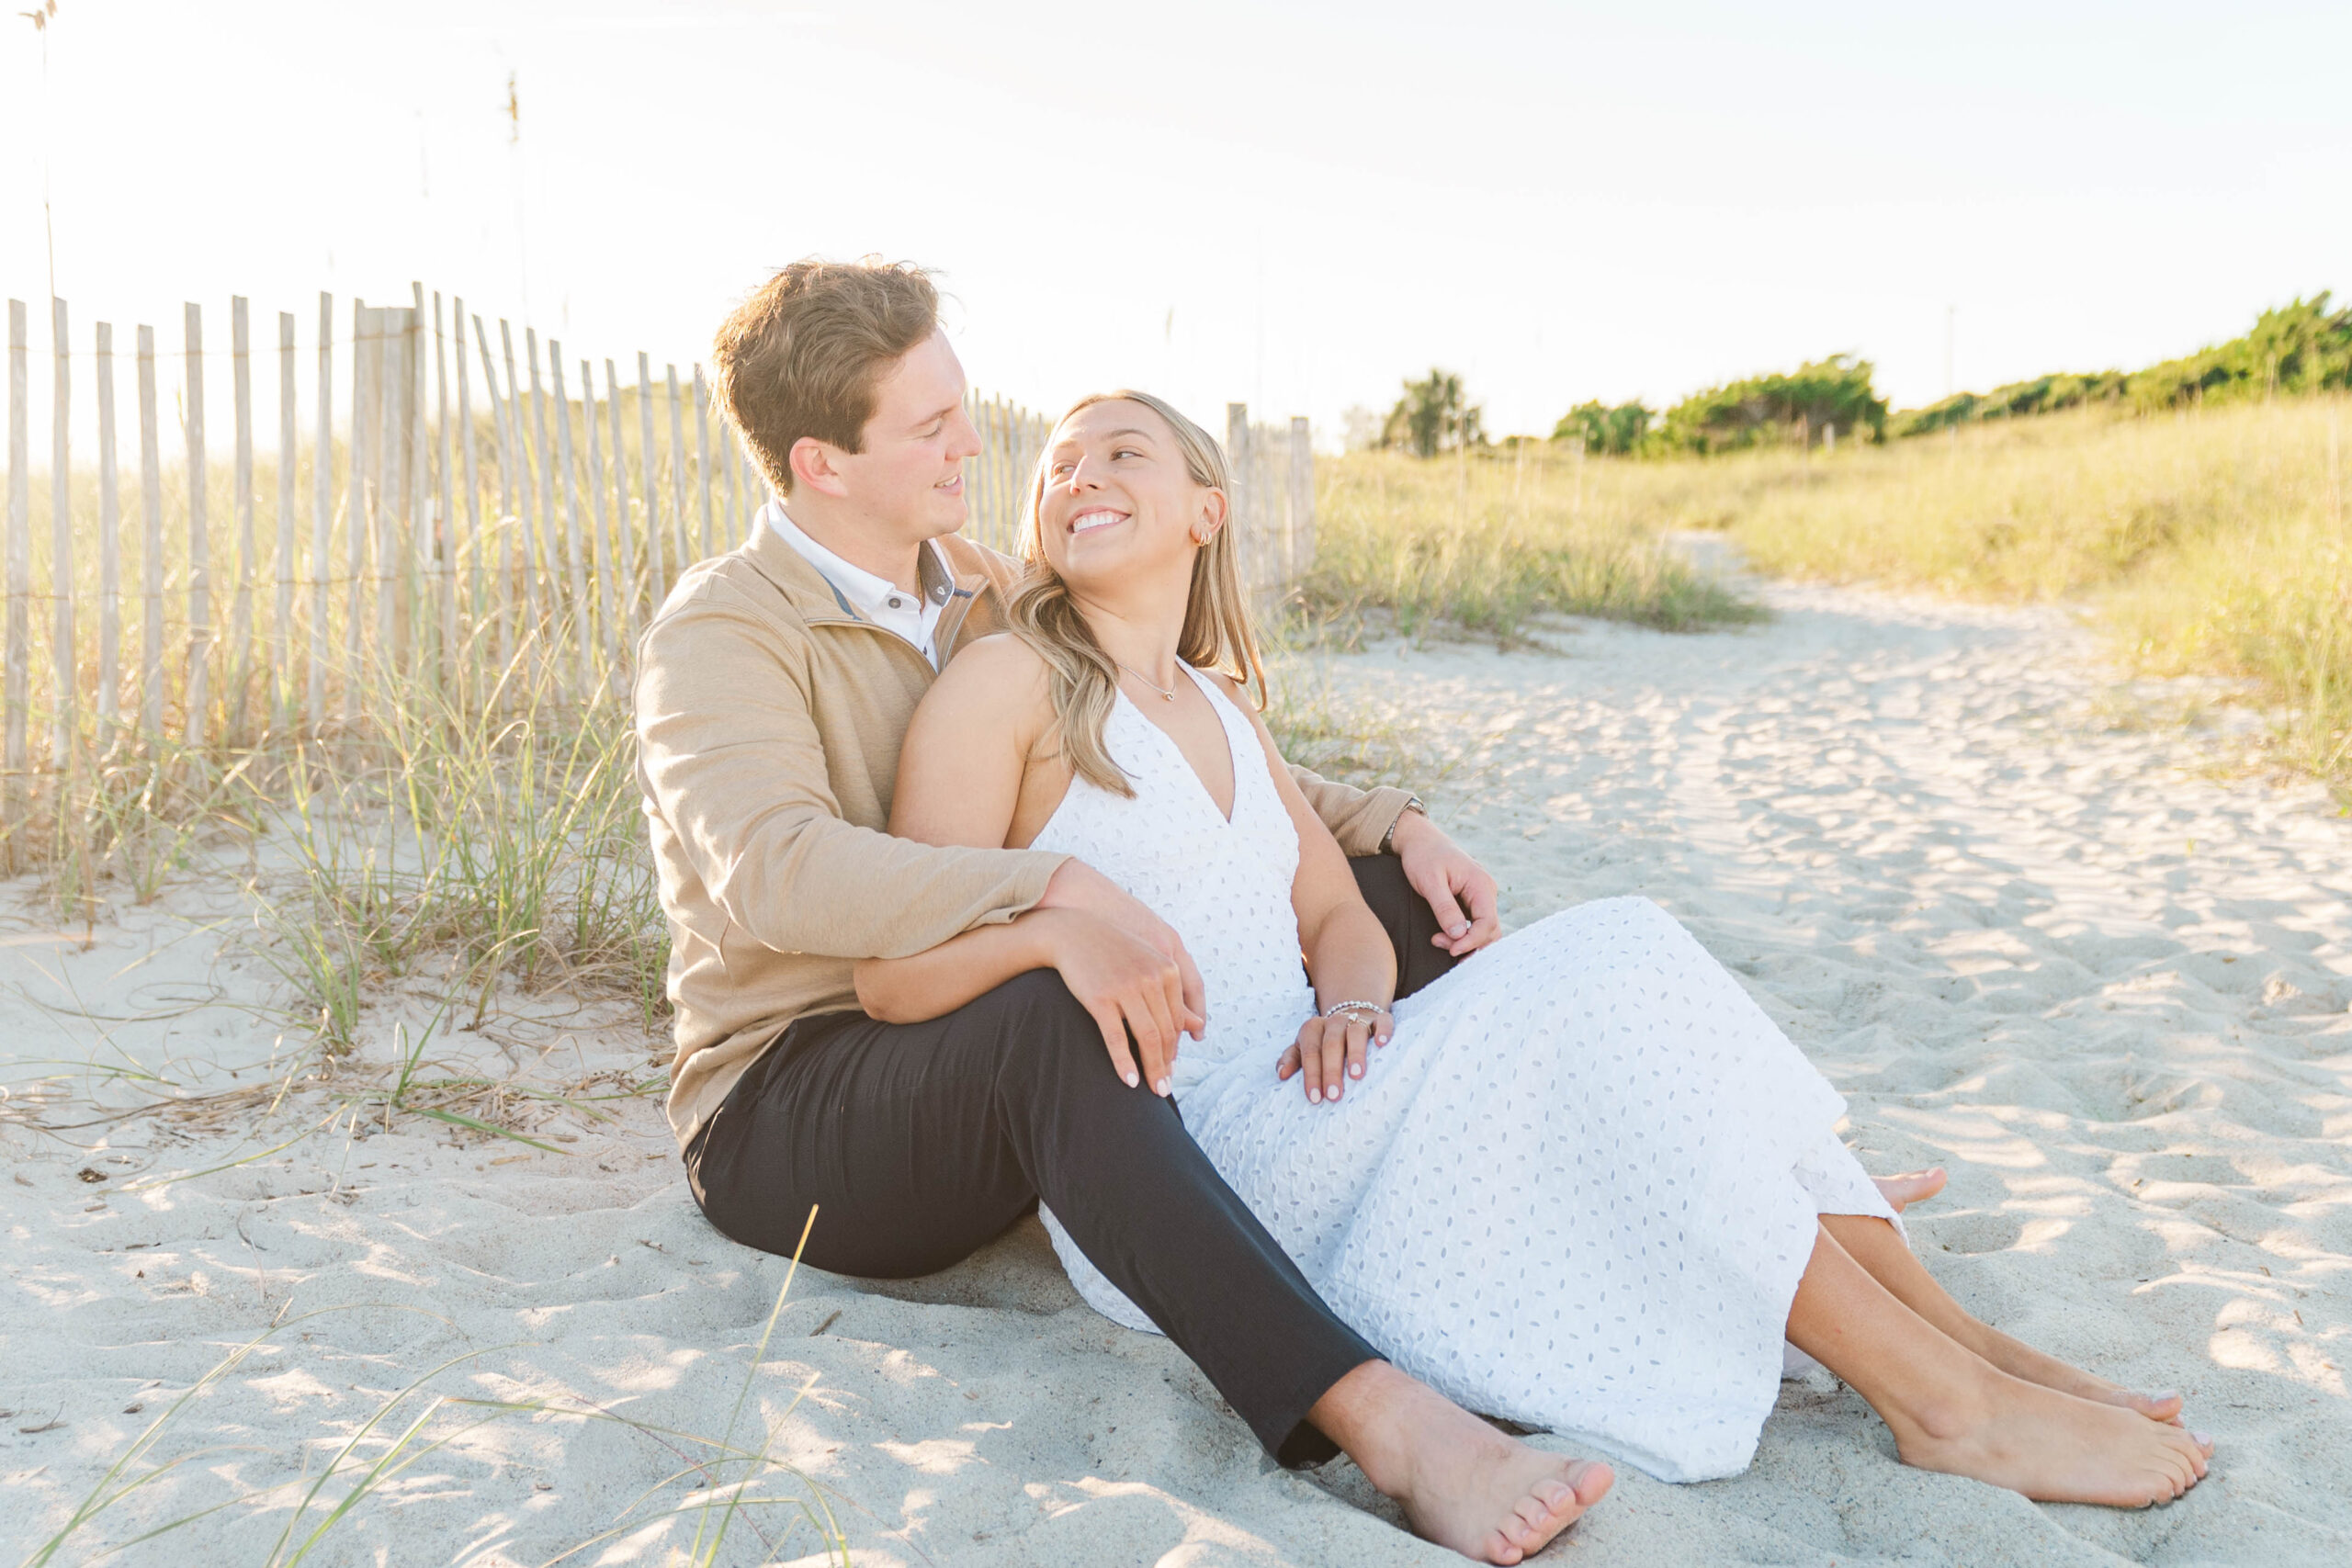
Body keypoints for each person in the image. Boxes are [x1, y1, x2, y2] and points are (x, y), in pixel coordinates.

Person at [859, 387, 2217, 1519]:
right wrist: (1054, 937)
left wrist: (1354, 1008)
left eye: (1121, 452)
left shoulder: (1219, 708)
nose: (1078, 474)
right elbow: (898, 974)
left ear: (1206, 513)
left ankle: (1975, 1351)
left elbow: (1337, 915)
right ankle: (1944, 1399)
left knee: (1632, 947)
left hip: (1320, 1087)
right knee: (1592, 999)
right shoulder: (1007, 684)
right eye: (1055, 465)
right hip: (1200, 1165)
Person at [640, 259, 1614, 1563]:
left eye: (961, 407)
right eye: (930, 427)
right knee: (1051, 1003)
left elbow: (1188, 749)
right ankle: (1381, 1419)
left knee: (1383, 909)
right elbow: (776, 870)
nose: (972, 444)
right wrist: (1047, 889)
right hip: (799, 1095)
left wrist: (1393, 821)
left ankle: (1624, 1151)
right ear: (822, 462)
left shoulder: (982, 582)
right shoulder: (722, 629)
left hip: (976, 1019)